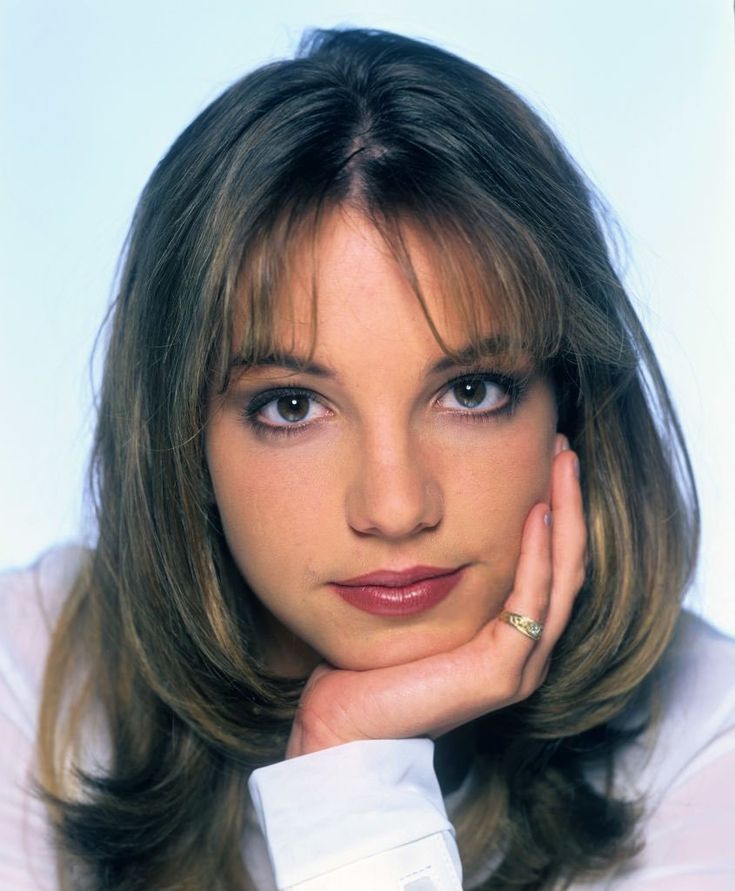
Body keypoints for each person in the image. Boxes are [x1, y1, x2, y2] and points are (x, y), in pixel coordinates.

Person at [1, 26, 734, 891]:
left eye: (470, 392)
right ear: (183, 440)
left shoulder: (704, 741)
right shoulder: (31, 673)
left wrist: (347, 765)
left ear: (570, 406)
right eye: (291, 405)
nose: (393, 506)